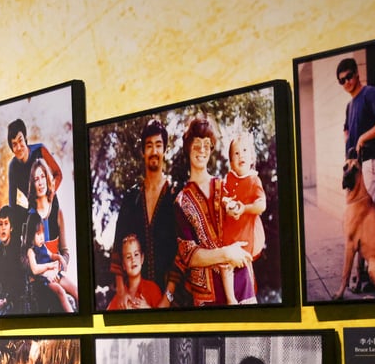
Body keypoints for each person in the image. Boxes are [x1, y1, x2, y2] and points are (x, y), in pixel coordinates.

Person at [174, 118, 254, 306]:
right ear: (188, 148)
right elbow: (190, 256)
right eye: (196, 144)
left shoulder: (225, 185)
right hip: (207, 296)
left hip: (240, 278)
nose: (202, 149)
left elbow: (244, 222)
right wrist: (226, 253)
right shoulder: (180, 201)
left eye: (207, 145)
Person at [110, 119, 181, 309]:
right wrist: (121, 291)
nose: (154, 151)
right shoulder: (131, 198)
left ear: (165, 150)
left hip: (169, 300)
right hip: (134, 298)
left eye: (159, 145)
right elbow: (118, 248)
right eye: (149, 146)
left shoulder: (175, 196)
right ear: (143, 152)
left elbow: (182, 252)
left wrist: (167, 299)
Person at [338, 57, 375, 293]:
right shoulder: (350, 105)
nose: (347, 82)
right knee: (357, 224)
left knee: (365, 224)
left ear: (357, 73)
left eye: (349, 76)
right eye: (342, 80)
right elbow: (346, 129)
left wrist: (362, 138)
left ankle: (368, 276)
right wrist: (349, 139)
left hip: (368, 165)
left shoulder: (370, 93)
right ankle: (361, 276)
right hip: (355, 170)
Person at [221, 131, 265, 305]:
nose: (241, 156)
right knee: (226, 266)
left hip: (246, 236)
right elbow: (222, 197)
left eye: (245, 151)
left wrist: (244, 208)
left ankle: (248, 301)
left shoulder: (254, 181)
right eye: (237, 153)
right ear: (231, 162)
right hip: (230, 235)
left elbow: (262, 205)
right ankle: (230, 299)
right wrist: (227, 205)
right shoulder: (229, 178)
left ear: (252, 158)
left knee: (246, 267)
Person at [23, 213, 78, 313]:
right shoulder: (31, 251)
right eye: (38, 234)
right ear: (31, 234)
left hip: (55, 274)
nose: (41, 237)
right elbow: (35, 270)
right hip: (45, 279)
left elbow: (51, 255)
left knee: (75, 290)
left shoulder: (43, 247)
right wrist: (49, 266)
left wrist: (59, 257)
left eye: (42, 233)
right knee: (60, 291)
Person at [6, 118, 63, 209]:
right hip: (33, 211)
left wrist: (50, 194)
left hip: (50, 205)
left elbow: (58, 174)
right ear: (11, 148)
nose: (19, 147)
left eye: (20, 141)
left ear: (25, 138)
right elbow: (12, 204)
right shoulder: (13, 167)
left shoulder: (40, 150)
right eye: (14, 144)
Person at [107, 234, 163, 310]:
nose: (133, 260)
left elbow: (162, 318)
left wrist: (148, 308)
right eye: (128, 257)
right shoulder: (119, 298)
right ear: (123, 265)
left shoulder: (153, 289)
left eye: (136, 254)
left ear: (142, 258)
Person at [0, 205, 25, 315]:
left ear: (11, 228)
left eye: (6, 224)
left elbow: (21, 283)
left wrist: (6, 301)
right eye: (0, 224)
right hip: (3, 299)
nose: (3, 228)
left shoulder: (18, 248)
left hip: (18, 301)